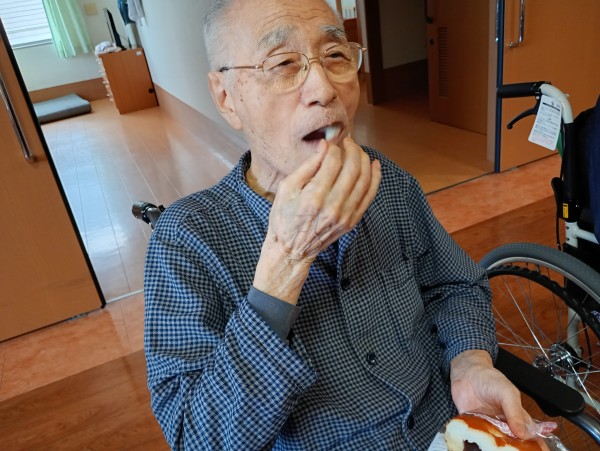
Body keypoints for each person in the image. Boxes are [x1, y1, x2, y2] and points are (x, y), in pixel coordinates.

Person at [144, 0, 536, 449]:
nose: (324, 89)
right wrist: (287, 261)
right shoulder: (187, 241)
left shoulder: (386, 182)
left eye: (335, 55)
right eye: (283, 63)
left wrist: (470, 361)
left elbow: (453, 285)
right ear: (226, 98)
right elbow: (196, 438)